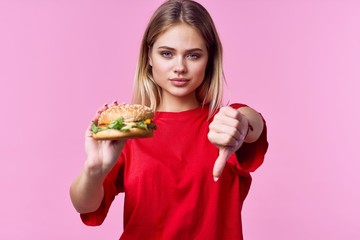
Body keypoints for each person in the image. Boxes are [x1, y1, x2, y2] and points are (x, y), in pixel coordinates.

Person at [70, 0, 268, 239]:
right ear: (149, 57)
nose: (179, 67)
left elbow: (251, 123)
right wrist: (94, 170)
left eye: (193, 55)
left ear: (209, 60)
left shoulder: (223, 123)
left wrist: (242, 124)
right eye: (167, 54)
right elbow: (85, 206)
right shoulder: (129, 131)